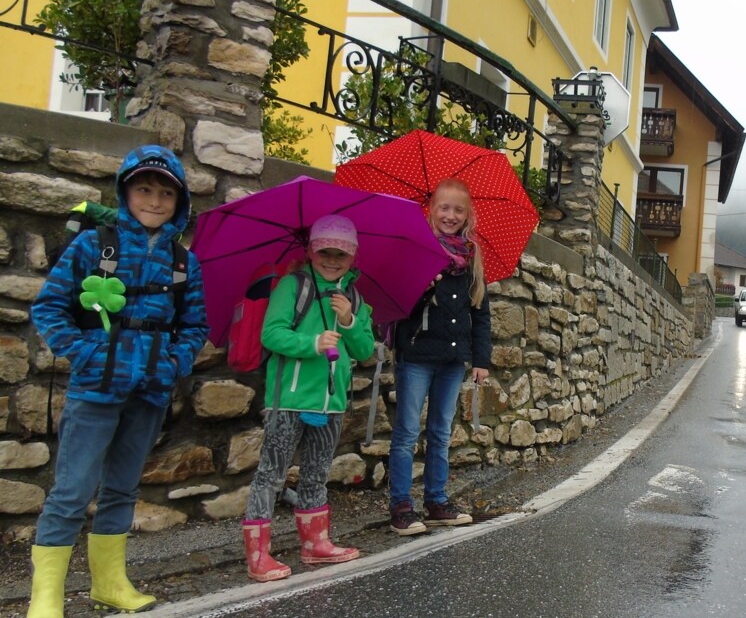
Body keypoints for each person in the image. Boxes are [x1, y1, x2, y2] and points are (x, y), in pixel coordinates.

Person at [28, 145, 209, 616]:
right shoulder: (94, 245)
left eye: (166, 192)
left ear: (180, 201)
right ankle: (46, 595)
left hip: (148, 390)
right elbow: (48, 307)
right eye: (144, 189)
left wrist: (173, 364)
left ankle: (109, 582)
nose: (154, 200)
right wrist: (86, 352)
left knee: (123, 490)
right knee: (71, 491)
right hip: (95, 388)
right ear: (126, 191)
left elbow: (195, 327)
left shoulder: (185, 263)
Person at [241, 214, 374, 582]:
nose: (332, 260)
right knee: (271, 473)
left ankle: (316, 544)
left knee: (317, 473)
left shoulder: (355, 297)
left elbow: (364, 350)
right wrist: (312, 344)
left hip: (330, 402)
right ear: (311, 251)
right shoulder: (293, 285)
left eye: (341, 254)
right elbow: (272, 334)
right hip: (289, 398)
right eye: (325, 252)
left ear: (353, 257)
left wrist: (348, 320)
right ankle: (258, 553)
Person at [387, 178, 492, 535]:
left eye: (458, 209)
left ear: (468, 215)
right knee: (406, 432)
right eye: (444, 208)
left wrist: (481, 359)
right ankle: (401, 504)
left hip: (452, 359)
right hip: (416, 354)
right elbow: (397, 303)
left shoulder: (472, 258)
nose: (450, 215)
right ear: (431, 210)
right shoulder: (417, 248)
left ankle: (436, 500)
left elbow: (480, 313)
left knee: (441, 431)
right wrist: (422, 284)